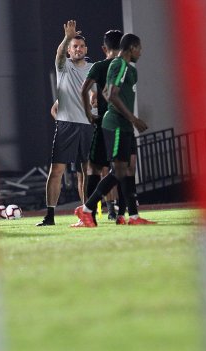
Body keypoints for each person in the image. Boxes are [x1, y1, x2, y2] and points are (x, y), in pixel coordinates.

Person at [74, 33, 155, 227]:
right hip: (116, 124)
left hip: (123, 124)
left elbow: (105, 92)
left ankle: (133, 217)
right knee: (117, 171)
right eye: (139, 48)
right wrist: (133, 118)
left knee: (126, 170)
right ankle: (87, 210)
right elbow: (111, 94)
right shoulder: (119, 65)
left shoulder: (129, 69)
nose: (141, 52)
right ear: (131, 48)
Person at [37, 20, 95, 226]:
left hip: (88, 126)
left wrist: (97, 98)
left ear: (86, 49)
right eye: (74, 46)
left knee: (85, 172)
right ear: (69, 51)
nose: (77, 49)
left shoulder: (94, 68)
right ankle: (50, 216)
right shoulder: (64, 66)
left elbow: (100, 93)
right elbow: (58, 54)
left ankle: (87, 214)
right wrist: (67, 37)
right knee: (57, 171)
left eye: (80, 46)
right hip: (66, 127)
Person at [80, 29, 137, 225]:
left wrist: (89, 115)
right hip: (119, 124)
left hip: (105, 124)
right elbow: (110, 93)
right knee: (124, 168)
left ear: (104, 47)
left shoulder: (100, 66)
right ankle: (122, 213)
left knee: (95, 169)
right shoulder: (123, 66)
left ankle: (90, 215)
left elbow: (85, 90)